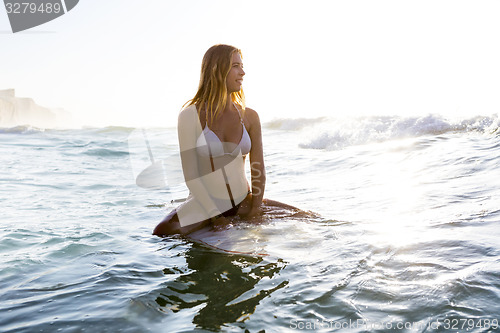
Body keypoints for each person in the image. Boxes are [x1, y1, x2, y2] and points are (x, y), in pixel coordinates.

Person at [153, 44, 299, 236]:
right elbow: (191, 176)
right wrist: (217, 217)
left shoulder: (250, 117)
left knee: (308, 218)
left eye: (242, 65)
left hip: (244, 202)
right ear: (216, 70)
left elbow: (258, 169)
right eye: (236, 66)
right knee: (163, 231)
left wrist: (255, 210)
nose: (243, 72)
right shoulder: (190, 116)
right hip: (205, 206)